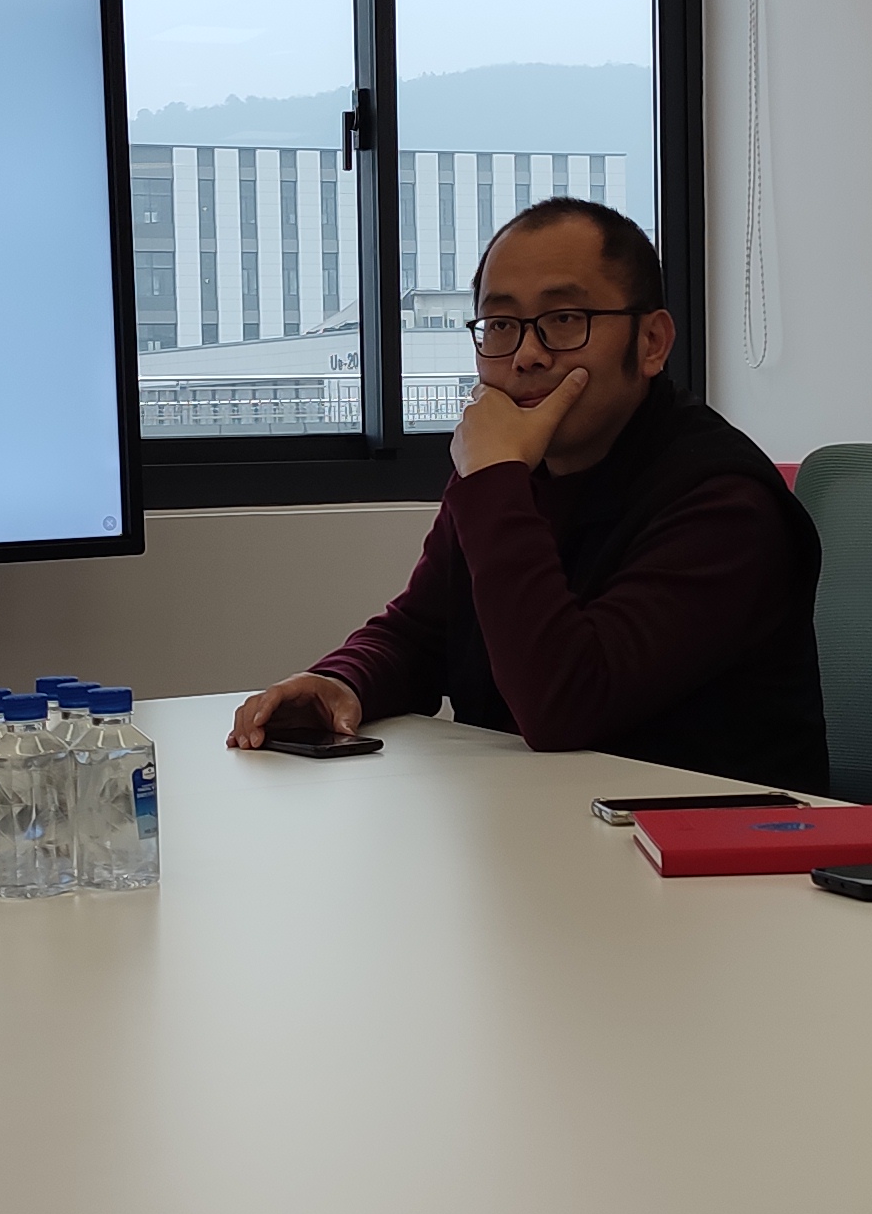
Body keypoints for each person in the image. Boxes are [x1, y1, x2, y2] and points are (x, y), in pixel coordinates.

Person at [231, 198, 827, 790]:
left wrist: (494, 479)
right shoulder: (510, 470)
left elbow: (567, 705)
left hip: (705, 836)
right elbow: (424, 632)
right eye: (500, 325)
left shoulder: (724, 504)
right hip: (540, 815)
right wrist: (342, 682)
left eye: (564, 319)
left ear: (652, 342)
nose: (526, 355)